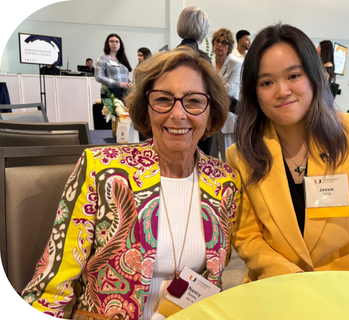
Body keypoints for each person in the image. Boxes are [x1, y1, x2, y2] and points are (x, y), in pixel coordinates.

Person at [21, 47, 240, 320]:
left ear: (211, 112)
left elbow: (214, 281)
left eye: (194, 101)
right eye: (163, 100)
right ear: (145, 111)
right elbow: (51, 286)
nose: (178, 114)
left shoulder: (225, 182)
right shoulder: (102, 169)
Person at [227, 23, 349, 282]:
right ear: (254, 93)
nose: (282, 91)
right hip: (276, 288)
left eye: (293, 76)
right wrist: (295, 281)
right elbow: (247, 236)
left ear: (315, 76)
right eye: (267, 82)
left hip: (348, 289)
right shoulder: (241, 154)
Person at [176, 4, 213, 156]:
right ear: (203, 29)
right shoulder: (202, 58)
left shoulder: (169, 55)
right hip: (197, 118)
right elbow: (214, 93)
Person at [211, 28, 241, 162]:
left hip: (227, 118)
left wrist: (209, 90)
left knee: (228, 160)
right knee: (209, 159)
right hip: (210, 119)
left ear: (229, 46)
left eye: (224, 42)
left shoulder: (236, 65)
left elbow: (229, 91)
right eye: (217, 41)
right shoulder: (209, 64)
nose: (219, 45)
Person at [95, 33, 133, 101]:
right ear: (107, 44)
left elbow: (124, 77)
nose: (114, 43)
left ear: (120, 44)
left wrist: (129, 83)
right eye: (111, 41)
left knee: (125, 112)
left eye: (117, 41)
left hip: (125, 93)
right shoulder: (102, 58)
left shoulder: (122, 59)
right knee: (112, 112)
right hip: (110, 93)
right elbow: (98, 77)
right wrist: (118, 84)